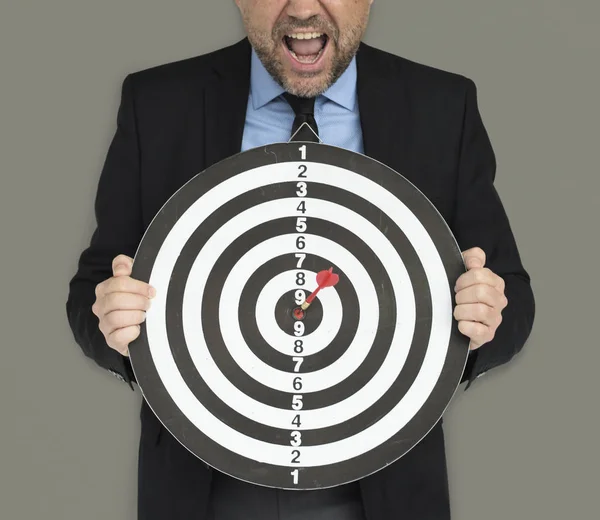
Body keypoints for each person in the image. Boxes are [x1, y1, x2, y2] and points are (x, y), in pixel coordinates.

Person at [66, 1, 535, 519]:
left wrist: (486, 315)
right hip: (202, 489)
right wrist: (109, 317)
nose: (305, 6)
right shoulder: (157, 102)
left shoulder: (443, 105)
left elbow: (511, 297)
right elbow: (93, 286)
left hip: (383, 493)